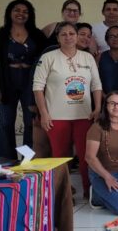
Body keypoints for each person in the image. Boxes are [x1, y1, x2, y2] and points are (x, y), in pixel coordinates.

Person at [33, 22, 103, 195]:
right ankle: (62, 193)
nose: (68, 37)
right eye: (63, 34)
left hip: (84, 116)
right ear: (57, 38)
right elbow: (37, 87)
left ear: (77, 36)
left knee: (86, 155)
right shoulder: (49, 57)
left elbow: (96, 85)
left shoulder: (87, 58)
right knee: (60, 157)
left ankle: (90, 190)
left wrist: (98, 108)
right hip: (57, 116)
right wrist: (43, 113)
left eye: (72, 33)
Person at [0, 0, 47, 159]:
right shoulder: (0, 35)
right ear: (9, 12)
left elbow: (47, 58)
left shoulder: (37, 35)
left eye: (25, 11)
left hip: (31, 83)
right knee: (6, 123)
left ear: (30, 15)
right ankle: (6, 161)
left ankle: (28, 161)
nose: (21, 14)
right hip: (7, 82)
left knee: (30, 123)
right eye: (17, 10)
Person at [98, 25, 118, 94]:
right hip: (105, 100)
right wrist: (105, 97)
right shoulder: (100, 57)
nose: (115, 38)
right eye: (111, 36)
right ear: (106, 41)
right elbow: (95, 81)